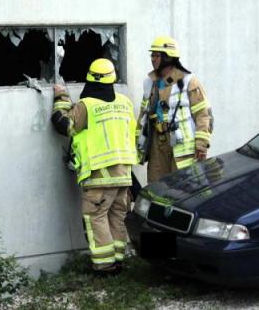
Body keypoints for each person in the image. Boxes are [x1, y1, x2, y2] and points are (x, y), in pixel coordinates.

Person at [51, 58, 138, 274]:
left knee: (95, 217)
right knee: (118, 216)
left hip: (99, 176)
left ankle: (104, 265)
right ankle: (118, 260)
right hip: (124, 175)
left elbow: (64, 125)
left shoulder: (87, 106)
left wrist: (61, 97)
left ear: (90, 79)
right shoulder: (125, 103)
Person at [138, 35, 214, 182]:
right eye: (152, 55)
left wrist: (201, 145)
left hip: (181, 145)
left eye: (156, 55)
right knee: (157, 185)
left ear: (168, 57)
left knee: (184, 186)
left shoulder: (188, 81)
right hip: (157, 142)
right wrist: (139, 146)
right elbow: (143, 117)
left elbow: (204, 115)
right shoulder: (150, 83)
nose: (152, 59)